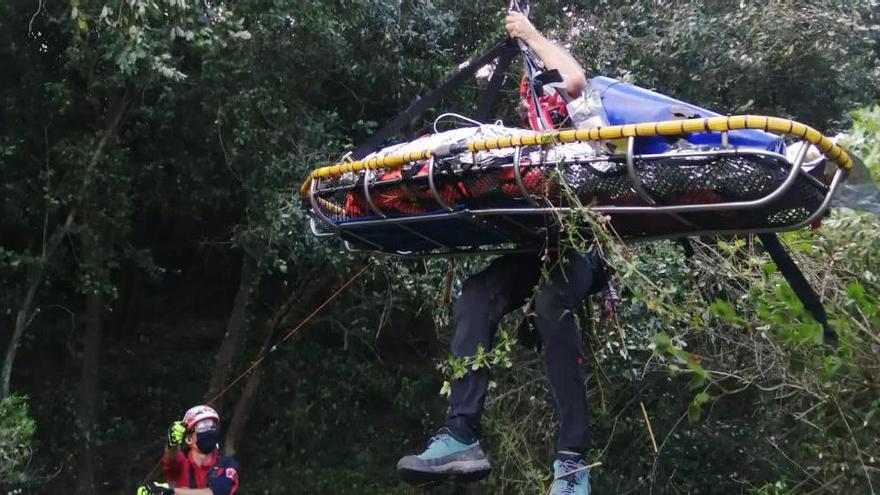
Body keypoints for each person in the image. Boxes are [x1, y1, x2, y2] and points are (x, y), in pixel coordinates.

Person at [396, 11, 607, 495]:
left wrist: (530, 36)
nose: (527, 98)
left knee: (552, 304)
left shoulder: (581, 113)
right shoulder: (529, 140)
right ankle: (461, 436)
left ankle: (572, 465)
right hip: (540, 244)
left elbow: (572, 80)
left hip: (585, 245)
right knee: (476, 294)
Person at [136, 405, 240, 495]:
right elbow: (171, 456)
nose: (209, 430)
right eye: (202, 427)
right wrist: (173, 443)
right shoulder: (181, 463)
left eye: (212, 426)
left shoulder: (227, 465)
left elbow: (217, 493)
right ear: (188, 438)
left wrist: (170, 491)